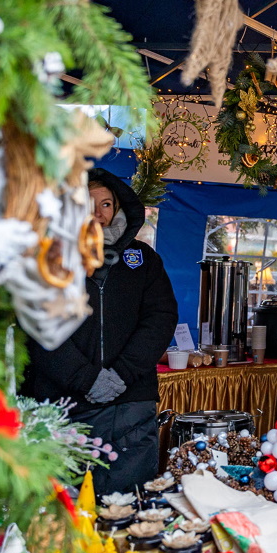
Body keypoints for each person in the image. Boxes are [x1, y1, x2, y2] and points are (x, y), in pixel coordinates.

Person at [21, 168, 178, 494]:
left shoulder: (144, 260)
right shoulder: (51, 260)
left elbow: (160, 318)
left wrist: (121, 374)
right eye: (88, 203)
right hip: (64, 409)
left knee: (130, 512)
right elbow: (39, 327)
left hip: (130, 409)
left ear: (119, 208)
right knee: (66, 514)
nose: (99, 212)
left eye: (107, 203)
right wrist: (86, 378)